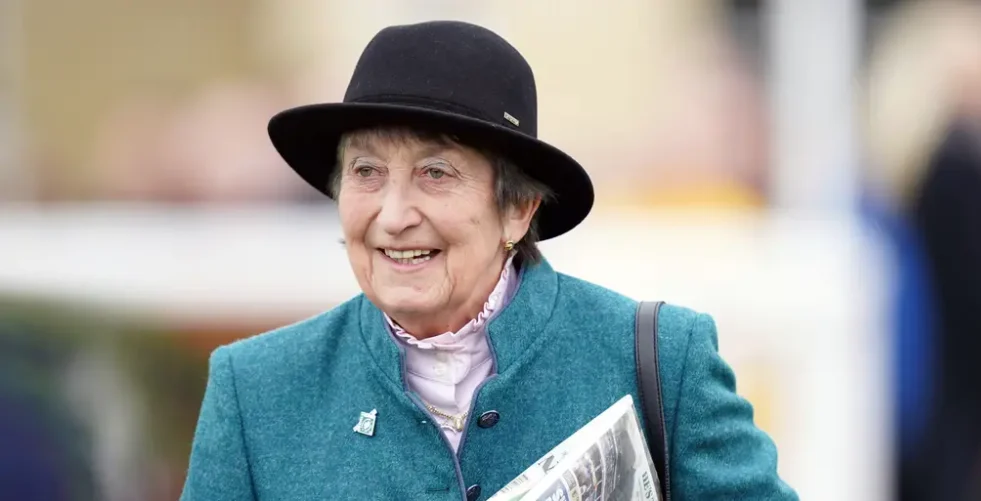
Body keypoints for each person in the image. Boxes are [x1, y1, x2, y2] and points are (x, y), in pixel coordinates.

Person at [180, 21, 797, 500]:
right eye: (367, 172)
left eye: (435, 173)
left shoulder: (661, 359)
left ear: (519, 209)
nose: (393, 215)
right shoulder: (256, 389)